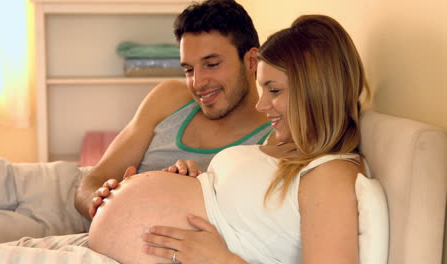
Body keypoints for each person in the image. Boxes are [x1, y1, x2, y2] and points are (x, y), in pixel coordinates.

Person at [88, 14, 376, 264]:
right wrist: (189, 179)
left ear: (317, 90)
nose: (262, 106)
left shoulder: (331, 175)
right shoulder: (285, 147)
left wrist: (222, 260)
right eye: (263, 89)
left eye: (274, 90)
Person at [74, 0, 273, 221]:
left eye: (212, 64)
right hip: (102, 238)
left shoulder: (274, 141)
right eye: (188, 69)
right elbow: (90, 182)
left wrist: (186, 191)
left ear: (252, 60)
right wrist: (105, 204)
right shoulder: (169, 98)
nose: (197, 83)